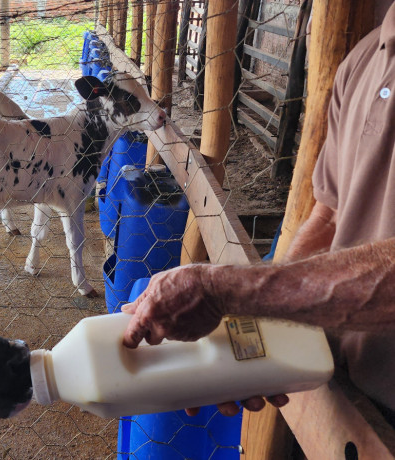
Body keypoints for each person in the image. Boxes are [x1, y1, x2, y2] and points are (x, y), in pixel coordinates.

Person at [122, 2, 395, 422]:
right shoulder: (364, 59)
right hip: (346, 387)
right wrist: (267, 335)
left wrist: (232, 292)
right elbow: (328, 217)